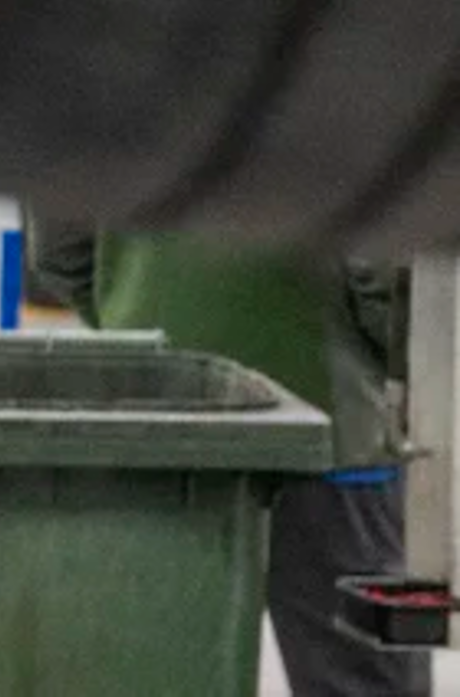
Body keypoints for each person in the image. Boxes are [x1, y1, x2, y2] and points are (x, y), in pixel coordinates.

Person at [30, 225, 427, 697]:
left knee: (155, 674)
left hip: (154, 419)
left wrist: (134, 324)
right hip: (326, 416)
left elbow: (58, 246)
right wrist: (399, 365)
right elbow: (381, 262)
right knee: (357, 677)